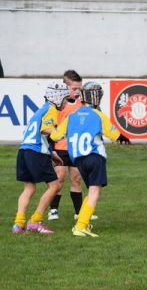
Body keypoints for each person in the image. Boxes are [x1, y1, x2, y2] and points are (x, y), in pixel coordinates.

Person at [50, 82, 130, 237]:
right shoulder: (98, 115)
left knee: (93, 191)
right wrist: (123, 138)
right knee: (95, 191)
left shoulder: (71, 116)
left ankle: (82, 220)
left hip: (78, 160)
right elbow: (114, 134)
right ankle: (80, 226)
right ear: (97, 98)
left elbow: (55, 135)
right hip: (94, 157)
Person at [12, 82, 69, 235]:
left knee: (29, 188)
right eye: (65, 99)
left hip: (24, 151)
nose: (65, 103)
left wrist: (52, 153)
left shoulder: (40, 111)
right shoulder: (51, 110)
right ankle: (35, 221)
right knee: (55, 186)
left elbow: (37, 134)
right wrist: (62, 132)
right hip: (36, 153)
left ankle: (18, 224)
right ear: (57, 98)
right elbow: (46, 129)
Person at [47, 70, 85, 221]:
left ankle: (79, 212)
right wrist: (52, 147)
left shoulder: (82, 103)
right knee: (59, 178)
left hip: (76, 148)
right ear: (65, 86)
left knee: (76, 179)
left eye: (79, 89)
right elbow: (49, 128)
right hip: (60, 147)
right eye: (74, 88)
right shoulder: (57, 104)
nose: (77, 92)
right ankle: (53, 210)